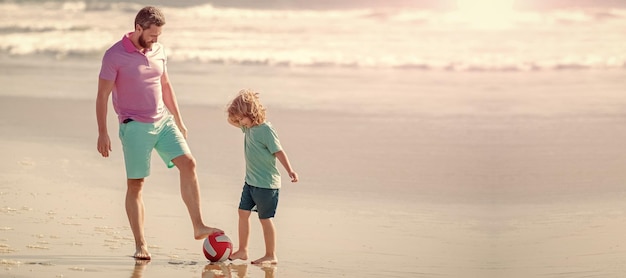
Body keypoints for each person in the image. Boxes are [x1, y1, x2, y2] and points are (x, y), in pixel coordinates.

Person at [95, 6, 222, 260]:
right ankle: (140, 244)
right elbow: (102, 95)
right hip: (134, 126)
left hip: (163, 121)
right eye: (152, 35)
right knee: (136, 185)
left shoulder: (159, 50)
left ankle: (198, 225)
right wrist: (103, 132)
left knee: (189, 163)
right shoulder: (114, 55)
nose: (156, 40)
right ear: (138, 28)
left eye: (159, 35)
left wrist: (179, 118)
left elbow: (165, 84)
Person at [226, 89, 299, 264]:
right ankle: (243, 250)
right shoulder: (248, 127)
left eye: (242, 118)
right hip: (250, 182)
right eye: (239, 119)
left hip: (267, 185)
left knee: (265, 219)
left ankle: (270, 254)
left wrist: (290, 170)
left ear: (251, 113)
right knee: (242, 213)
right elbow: (230, 120)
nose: (239, 122)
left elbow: (278, 151)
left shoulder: (265, 129)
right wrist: (236, 112)